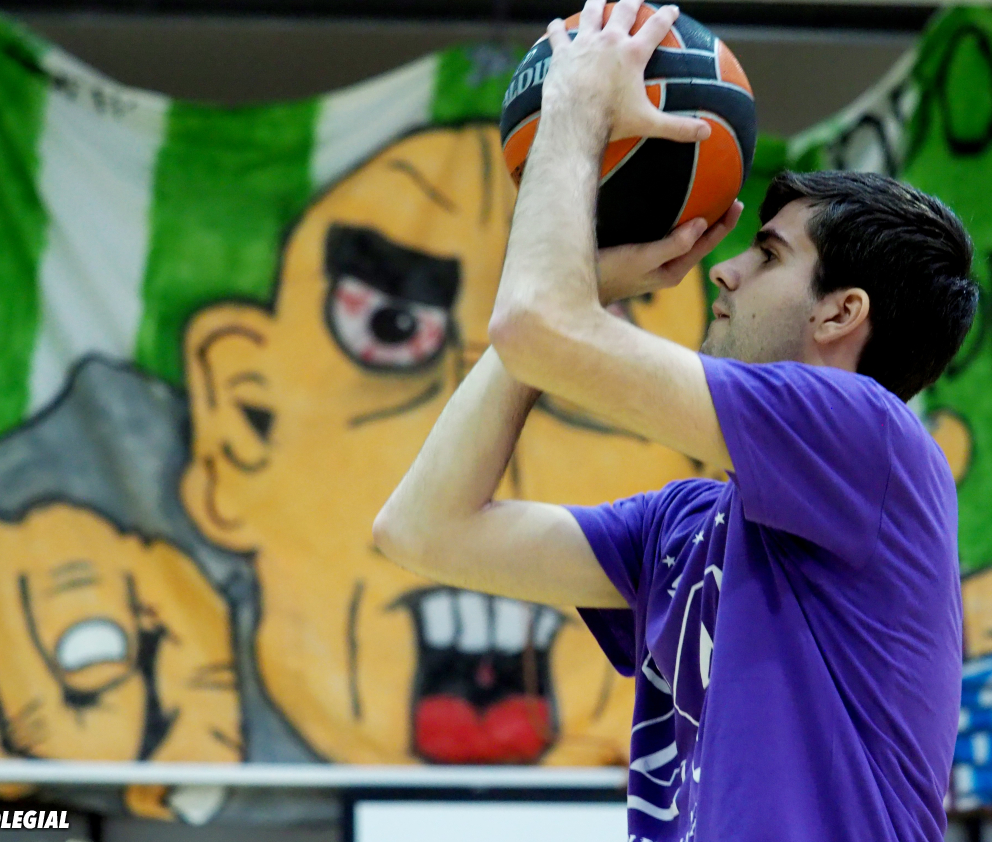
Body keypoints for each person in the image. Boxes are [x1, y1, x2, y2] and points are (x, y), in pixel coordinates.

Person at [373, 1, 979, 839]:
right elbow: (423, 529)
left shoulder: (871, 438)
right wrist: (584, 283)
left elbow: (534, 327)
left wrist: (575, 114)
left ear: (841, 312)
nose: (724, 271)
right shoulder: (689, 525)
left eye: (768, 254)